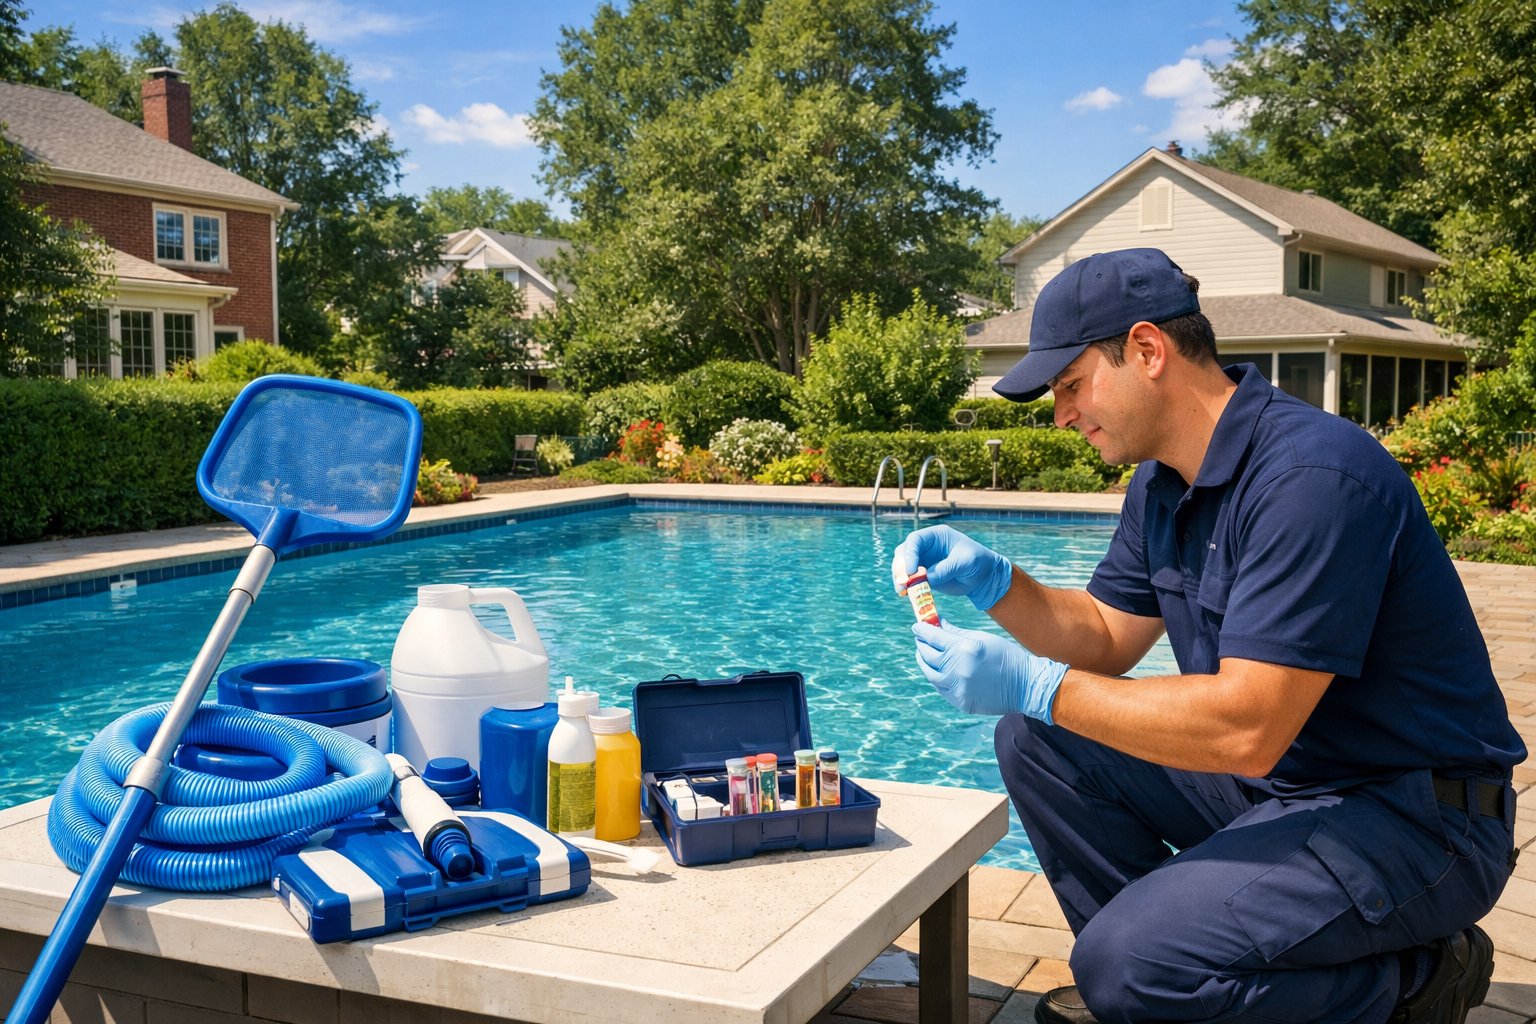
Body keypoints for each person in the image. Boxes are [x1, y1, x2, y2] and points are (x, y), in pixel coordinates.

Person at [893, 248, 1524, 1024]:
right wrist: (998, 585)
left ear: (1149, 351)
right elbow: (1102, 636)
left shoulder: (1311, 479)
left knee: (1128, 959)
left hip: (1416, 817)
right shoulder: (1163, 484)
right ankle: (1161, 986)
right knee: (1037, 739)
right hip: (1287, 787)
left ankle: (1419, 982)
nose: (1061, 414)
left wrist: (1037, 681)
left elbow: (1248, 726)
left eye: (1070, 385)